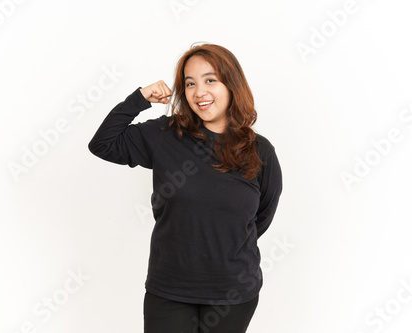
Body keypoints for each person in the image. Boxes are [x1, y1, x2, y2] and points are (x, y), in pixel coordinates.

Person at [88, 43, 283, 333]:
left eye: (210, 80)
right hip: (169, 290)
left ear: (232, 84)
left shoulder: (259, 150)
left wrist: (226, 244)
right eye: (189, 83)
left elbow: (260, 216)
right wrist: (139, 98)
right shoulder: (166, 134)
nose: (199, 92)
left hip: (233, 294)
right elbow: (102, 143)